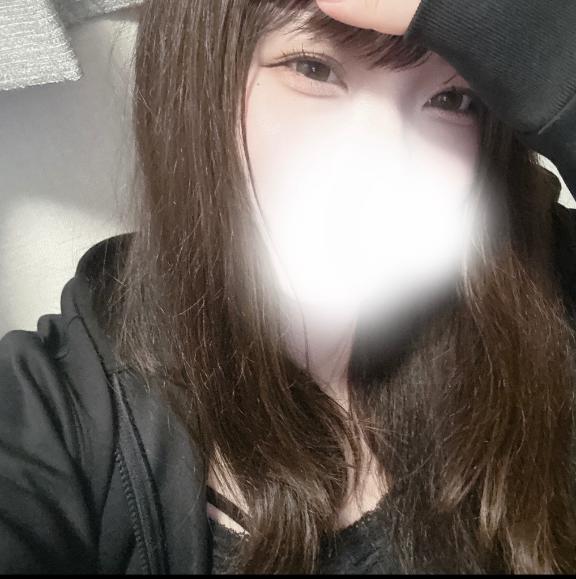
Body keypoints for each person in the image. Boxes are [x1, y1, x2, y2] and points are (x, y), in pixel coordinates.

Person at [1, 0, 575, 574]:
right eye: (313, 69)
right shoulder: (50, 417)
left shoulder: (536, 287)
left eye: (451, 101)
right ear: (202, 82)